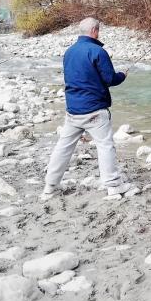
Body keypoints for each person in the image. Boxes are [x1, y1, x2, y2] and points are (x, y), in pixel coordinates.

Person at [41, 17, 135, 200]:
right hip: (95, 111)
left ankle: (49, 187)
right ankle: (113, 187)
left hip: (73, 110)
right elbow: (110, 80)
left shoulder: (69, 52)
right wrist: (123, 75)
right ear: (95, 31)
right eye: (98, 30)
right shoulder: (98, 51)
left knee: (63, 147)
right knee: (105, 146)